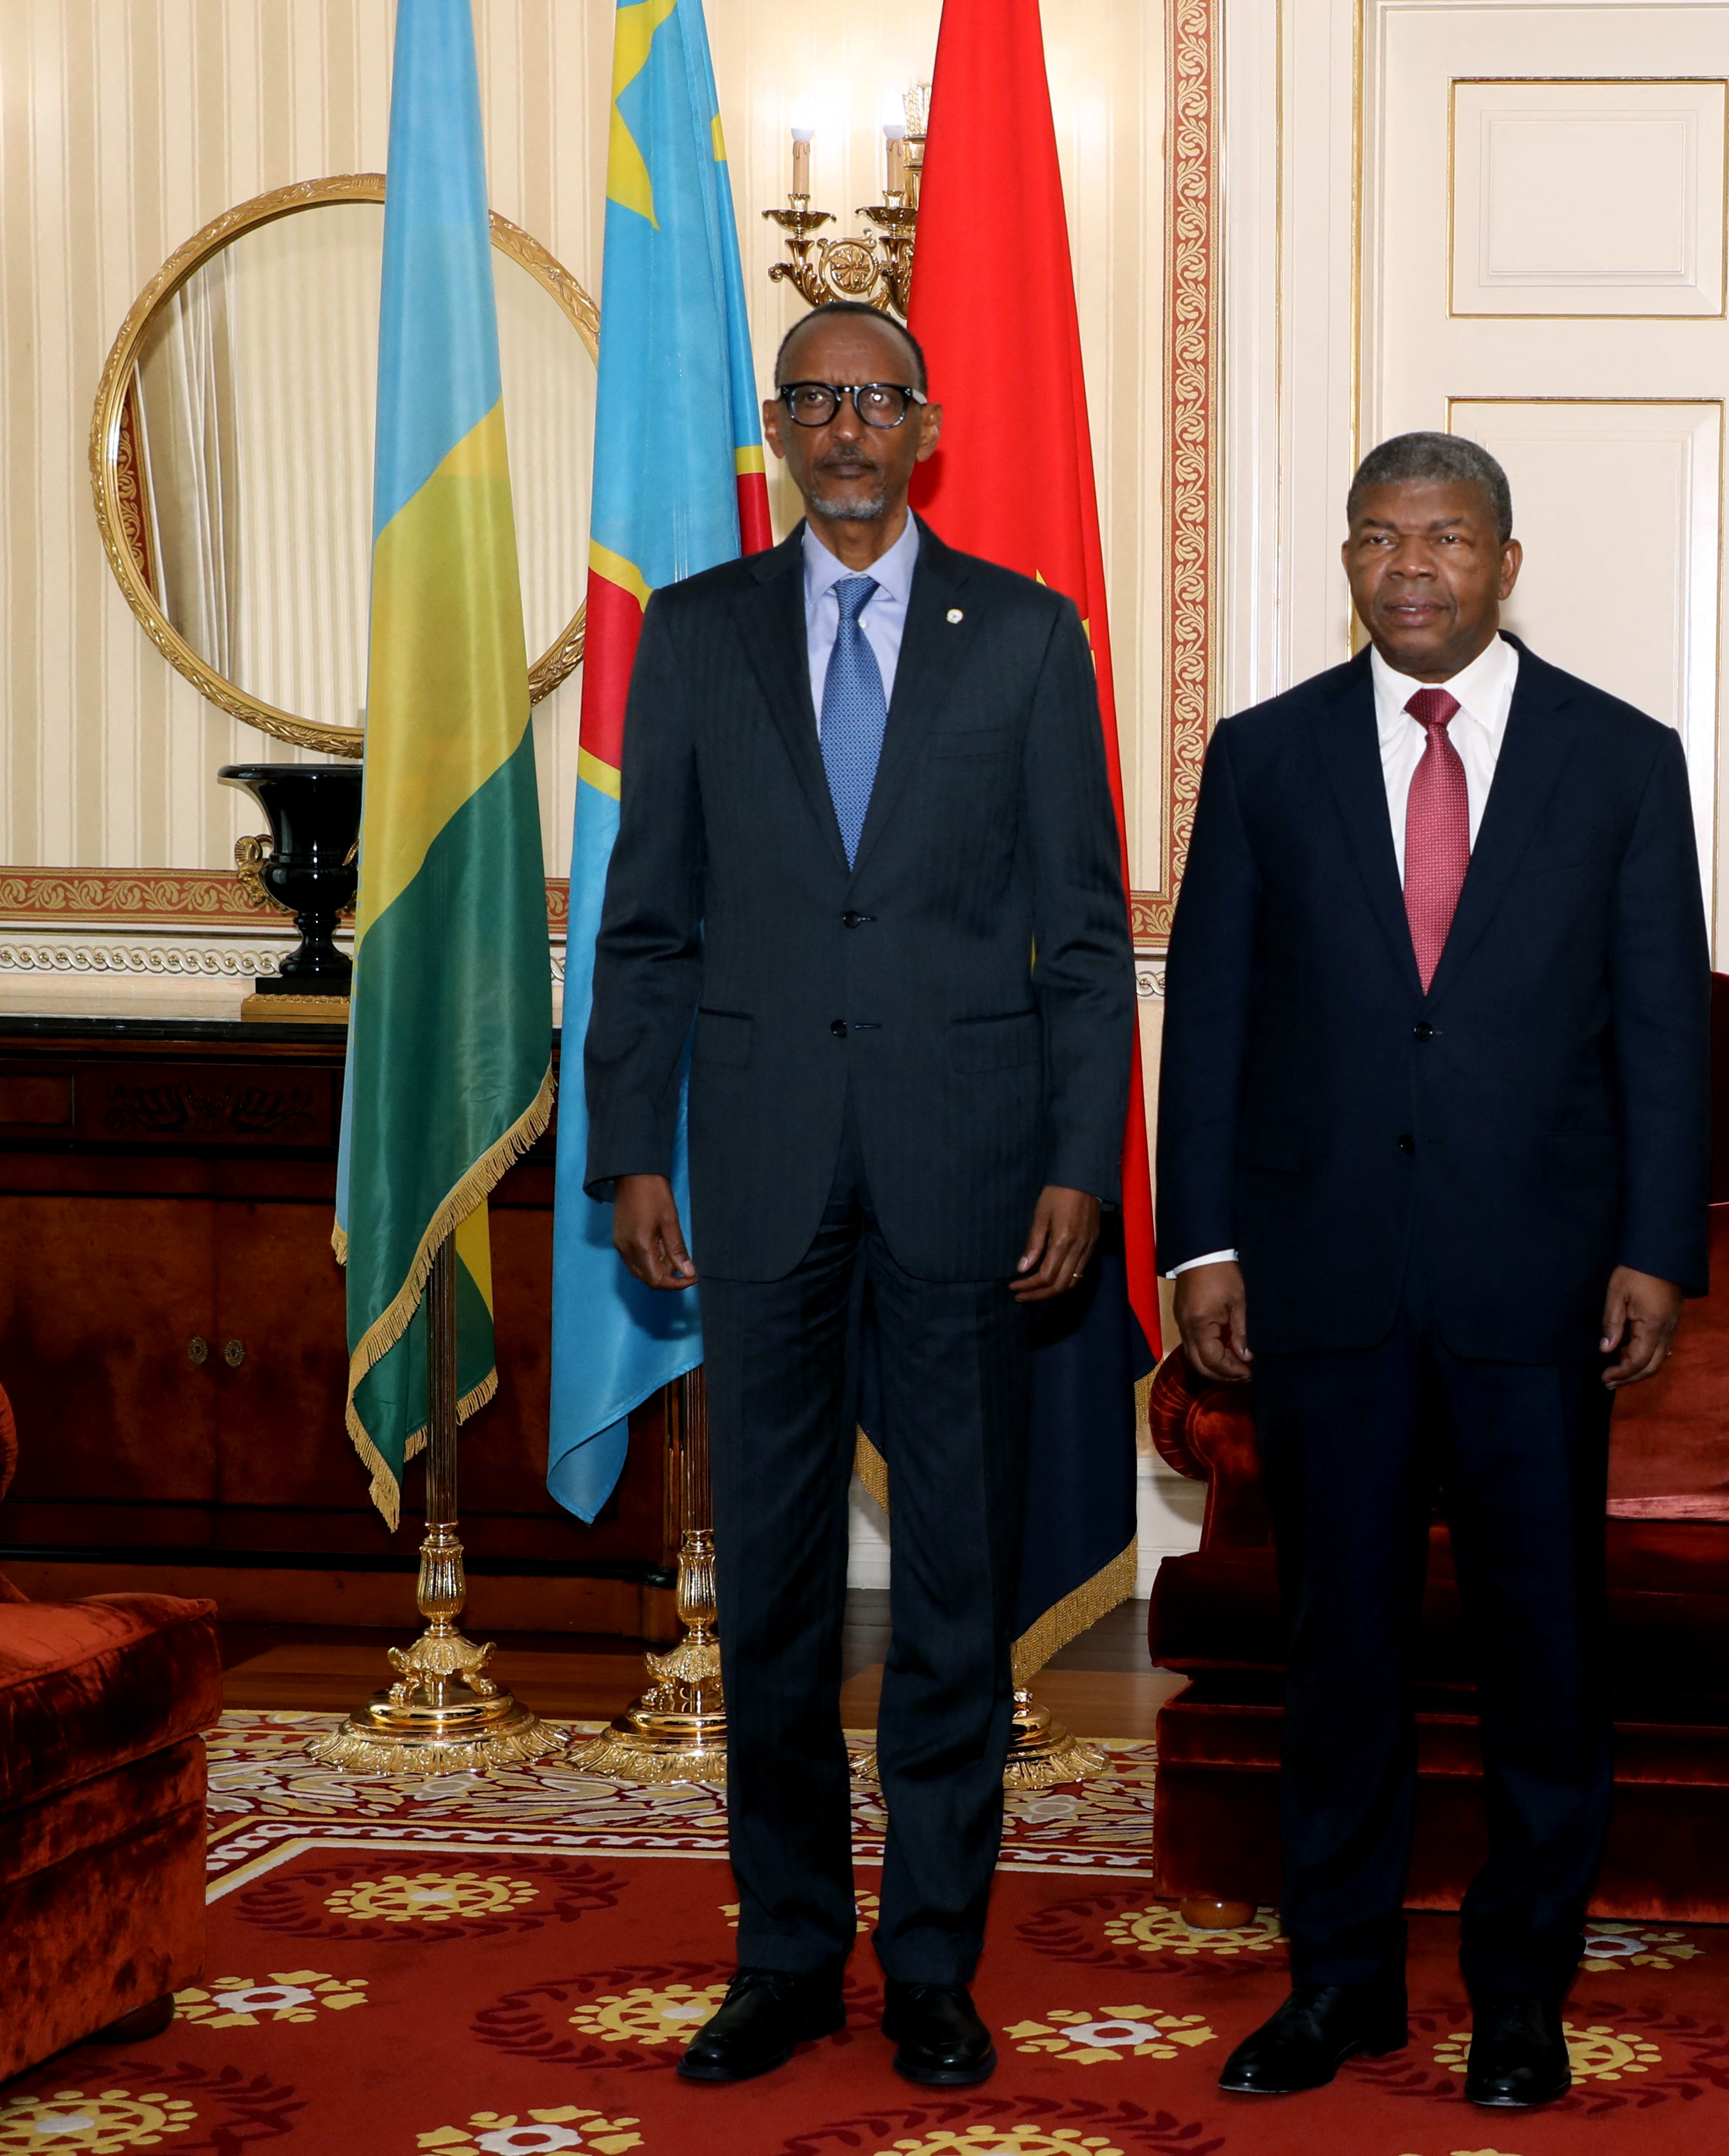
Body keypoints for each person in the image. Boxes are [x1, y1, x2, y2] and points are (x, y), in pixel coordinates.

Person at [584, 299, 1136, 2091]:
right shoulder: (697, 633)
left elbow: (1083, 938)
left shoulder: (1026, 637)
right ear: (779, 425)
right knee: (776, 1588)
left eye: (875, 399)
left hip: (971, 1167)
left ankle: (933, 1963)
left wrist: (1078, 1161)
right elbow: (646, 921)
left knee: (957, 1587)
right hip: (754, 1165)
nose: (844, 428)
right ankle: (786, 1953)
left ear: (928, 428)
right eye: (814, 399)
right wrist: (633, 1147)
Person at [1157, 431, 1710, 2111]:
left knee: (1546, 1654)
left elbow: (1661, 1030)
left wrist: (1655, 1248)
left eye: (1448, 538)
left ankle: (1522, 1992)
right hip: (1321, 1280)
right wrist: (1203, 1242)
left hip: (1538, 1287)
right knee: (1340, 1654)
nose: (1413, 565)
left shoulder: (1621, 758)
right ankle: (1338, 1983)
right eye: (1382, 537)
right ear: (1348, 560)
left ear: (1505, 563)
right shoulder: (1263, 757)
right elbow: (1213, 1016)